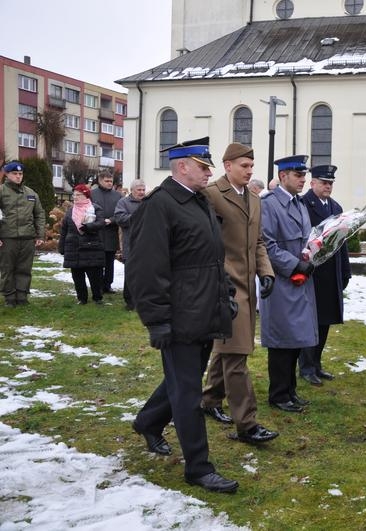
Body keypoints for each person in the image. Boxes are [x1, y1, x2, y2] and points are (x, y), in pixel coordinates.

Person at [127, 137, 239, 493]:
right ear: (182, 167)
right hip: (179, 316)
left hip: (204, 309)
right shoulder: (159, 206)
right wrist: (157, 320)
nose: (210, 173)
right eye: (204, 167)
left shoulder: (198, 202)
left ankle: (148, 421)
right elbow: (146, 269)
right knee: (189, 393)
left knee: (182, 380)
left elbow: (210, 258)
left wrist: (226, 295)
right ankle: (198, 467)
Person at [199, 142, 279, 445]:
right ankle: (247, 424)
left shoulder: (254, 199)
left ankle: (208, 400)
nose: (249, 171)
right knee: (237, 355)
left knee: (226, 346)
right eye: (243, 166)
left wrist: (266, 272)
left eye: (251, 166)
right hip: (224, 287)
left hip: (248, 286)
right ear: (227, 165)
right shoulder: (211, 195)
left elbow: (258, 241)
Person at [259, 155, 316, 413]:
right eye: (298, 175)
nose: (303, 179)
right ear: (283, 177)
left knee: (296, 338)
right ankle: (279, 394)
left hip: (300, 280)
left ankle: (290, 390)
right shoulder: (269, 205)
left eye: (304, 175)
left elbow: (305, 238)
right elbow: (266, 245)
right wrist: (294, 264)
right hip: (281, 280)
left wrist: (313, 252)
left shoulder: (299, 204)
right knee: (282, 339)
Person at [299, 164, 351, 386]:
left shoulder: (335, 206)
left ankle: (317, 364)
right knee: (311, 322)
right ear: (312, 183)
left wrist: (345, 271)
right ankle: (306, 366)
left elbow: (342, 243)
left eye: (330, 183)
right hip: (313, 273)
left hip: (332, 272)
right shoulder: (304, 204)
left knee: (325, 320)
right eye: (323, 182)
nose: (328, 186)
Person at [0, 161, 45, 307]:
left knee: (24, 268)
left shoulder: (31, 193)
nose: (18, 176)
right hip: (7, 237)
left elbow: (39, 214)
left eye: (20, 174)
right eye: (14, 174)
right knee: (7, 268)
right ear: (7, 174)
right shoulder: (1, 191)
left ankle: (22, 296)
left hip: (27, 237)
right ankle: (10, 297)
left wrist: (40, 235)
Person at [57, 184, 106, 305]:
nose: (75, 197)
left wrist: (87, 227)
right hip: (74, 248)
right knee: (77, 276)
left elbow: (101, 223)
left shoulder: (95, 208)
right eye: (74, 195)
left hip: (92, 247)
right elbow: (64, 230)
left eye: (79, 195)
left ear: (86, 196)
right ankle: (82, 298)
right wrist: (61, 246)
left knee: (95, 276)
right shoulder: (70, 211)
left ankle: (97, 298)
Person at [114, 179, 146, 310]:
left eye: (143, 190)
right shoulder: (123, 203)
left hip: (147, 245)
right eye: (139, 190)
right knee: (131, 275)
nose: (142, 192)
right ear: (132, 190)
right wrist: (137, 218)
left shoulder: (148, 202)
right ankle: (130, 302)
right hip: (131, 245)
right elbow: (119, 218)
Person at [93, 171, 122, 294]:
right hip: (95, 233)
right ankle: (97, 285)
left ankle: (107, 285)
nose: (110, 183)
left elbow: (121, 213)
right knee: (97, 262)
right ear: (100, 180)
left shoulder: (118, 196)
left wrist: (112, 220)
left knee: (110, 262)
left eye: (111, 181)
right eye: (107, 181)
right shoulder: (91, 194)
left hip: (111, 232)